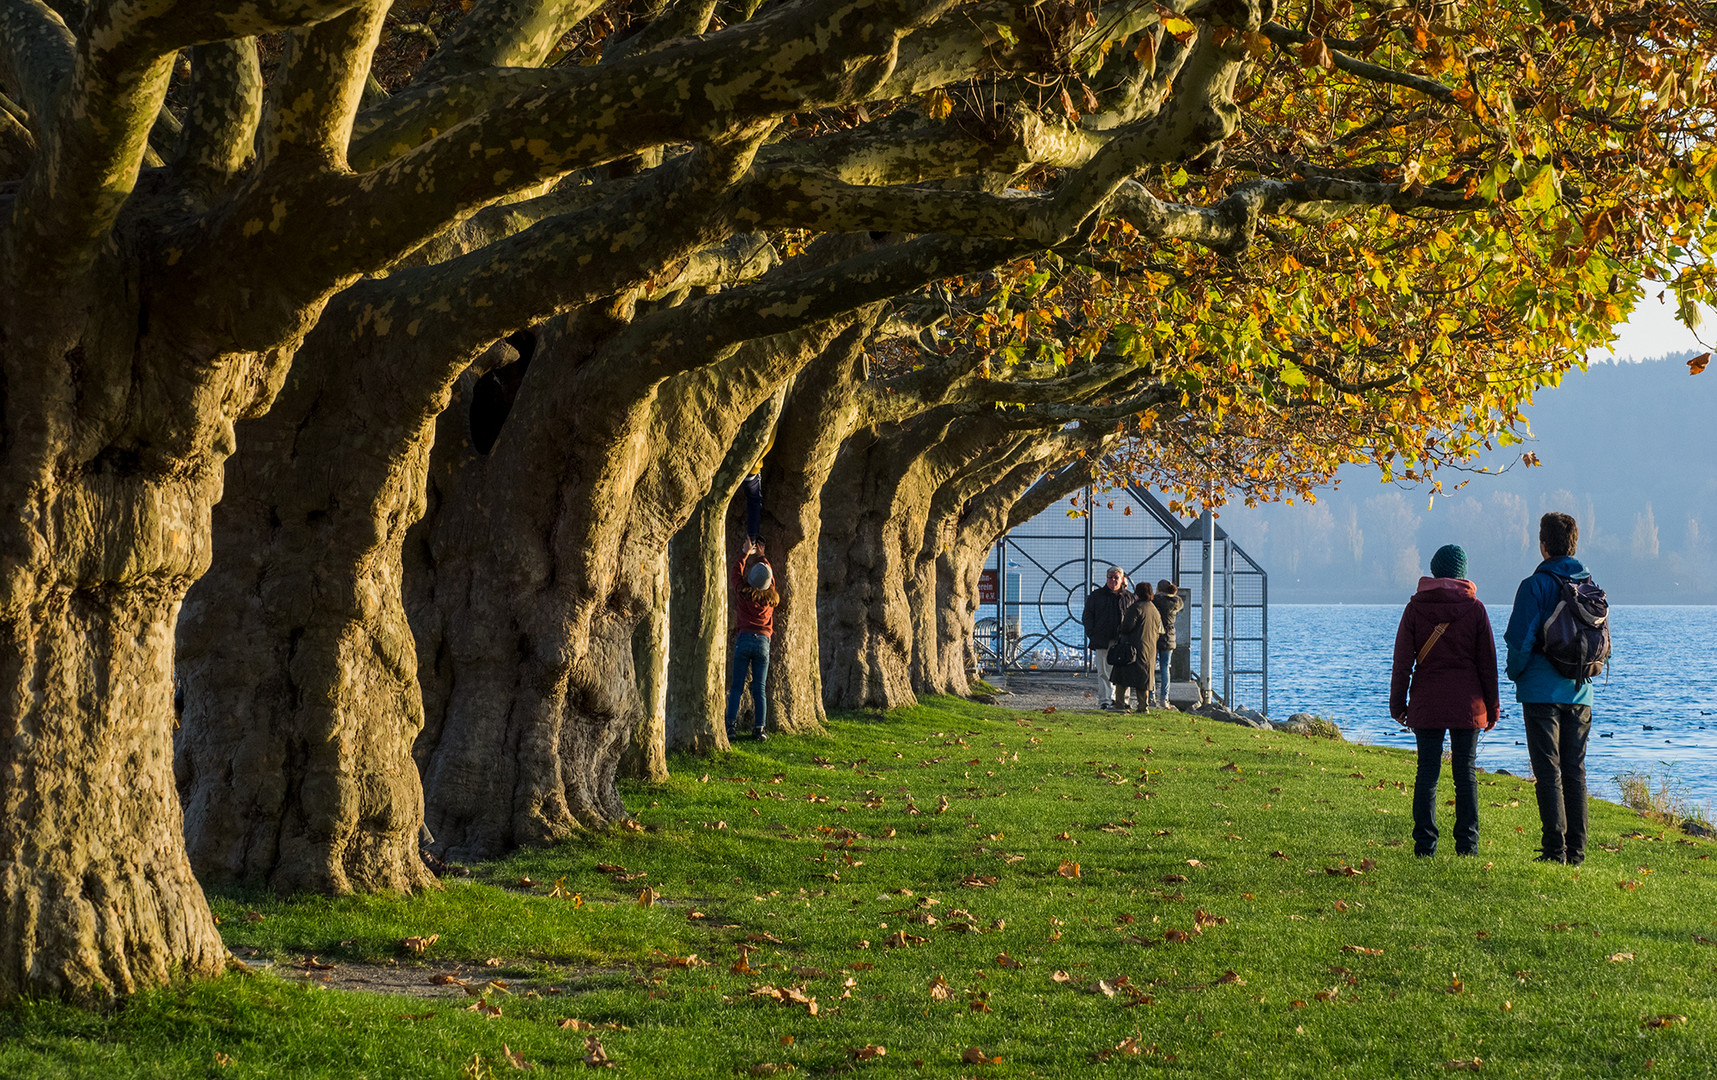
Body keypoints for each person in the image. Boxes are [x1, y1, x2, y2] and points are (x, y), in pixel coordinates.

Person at [1390, 544, 1500, 857]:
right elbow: (1487, 664)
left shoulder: (1415, 608)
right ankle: (1468, 846)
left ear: (1435, 571)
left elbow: (1402, 663)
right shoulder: (1475, 609)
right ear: (1462, 573)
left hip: (1427, 701)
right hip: (1469, 703)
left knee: (1427, 773)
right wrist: (1492, 708)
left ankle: (1425, 846)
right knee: (1465, 774)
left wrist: (1398, 705)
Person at [1504, 513, 1598, 865]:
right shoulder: (1589, 583)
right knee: (1575, 771)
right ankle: (1577, 851)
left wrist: (1515, 674)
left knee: (1548, 771)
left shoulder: (1534, 585)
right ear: (1574, 544)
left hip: (1540, 691)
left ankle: (1553, 849)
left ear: (1543, 544)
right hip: (1580, 690)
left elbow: (1519, 641)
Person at [725, 538, 779, 741]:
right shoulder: (771, 598)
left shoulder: (743, 593)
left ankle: (731, 727)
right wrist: (762, 556)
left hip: (744, 640)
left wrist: (746, 553)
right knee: (760, 689)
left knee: (737, 687)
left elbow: (735, 574)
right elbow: (770, 580)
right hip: (763, 642)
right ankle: (760, 729)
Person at [1081, 566, 1134, 710]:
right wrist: (1092, 634)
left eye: (1116, 577)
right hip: (1102, 640)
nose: (1112, 580)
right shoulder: (1096, 596)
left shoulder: (1129, 597)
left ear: (1122, 579)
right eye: (1110, 577)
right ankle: (1105, 700)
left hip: (1123, 641)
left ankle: (1123, 700)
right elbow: (1087, 616)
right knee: (1104, 672)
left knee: (1124, 672)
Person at [1109, 581, 1164, 712]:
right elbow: (1160, 630)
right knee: (1143, 679)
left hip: (1132, 648)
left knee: (1122, 676)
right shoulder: (1154, 610)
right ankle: (1143, 706)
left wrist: (1119, 629)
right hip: (1149, 649)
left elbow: (1127, 627)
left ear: (1137, 593)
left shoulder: (1135, 608)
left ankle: (1119, 704)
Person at [1151, 580, 1183, 709]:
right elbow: (1179, 600)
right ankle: (1165, 698)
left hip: (1155, 636)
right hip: (1170, 637)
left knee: (1151, 667)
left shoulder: (1155, 601)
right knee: (1165, 668)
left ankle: (1151, 696)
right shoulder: (1177, 602)